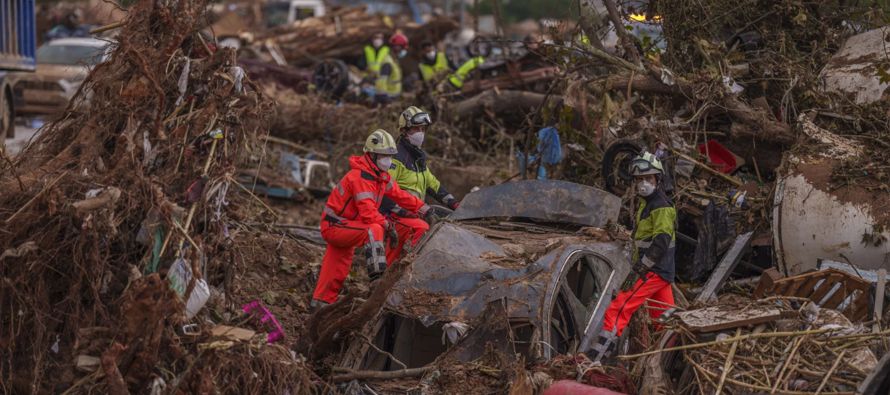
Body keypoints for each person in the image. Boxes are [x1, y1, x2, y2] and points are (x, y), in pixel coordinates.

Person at [311, 129, 432, 309]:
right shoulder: (359, 177)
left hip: (348, 225)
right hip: (335, 226)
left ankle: (320, 304)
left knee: (336, 269)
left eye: (390, 156)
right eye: (384, 156)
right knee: (373, 229)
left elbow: (400, 195)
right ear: (372, 155)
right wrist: (387, 225)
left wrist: (423, 208)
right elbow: (368, 213)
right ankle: (377, 279)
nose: (388, 160)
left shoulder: (380, 176)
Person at [589, 152, 676, 363]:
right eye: (639, 180)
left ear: (658, 180)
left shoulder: (661, 206)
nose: (643, 184)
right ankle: (672, 360)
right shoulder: (647, 203)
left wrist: (640, 269)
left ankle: (595, 360)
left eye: (649, 179)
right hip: (661, 272)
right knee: (665, 320)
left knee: (619, 308)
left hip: (653, 270)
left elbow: (661, 243)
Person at [381, 106, 459, 243]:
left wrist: (455, 204)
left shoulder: (418, 159)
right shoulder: (396, 158)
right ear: (404, 131)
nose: (421, 133)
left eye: (423, 129)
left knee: (453, 220)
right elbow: (383, 192)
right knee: (423, 228)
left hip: (416, 213)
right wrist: (405, 212)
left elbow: (434, 185)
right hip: (396, 216)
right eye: (416, 129)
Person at [373, 33, 408, 104]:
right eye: (403, 47)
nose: (404, 50)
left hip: (394, 97)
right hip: (388, 99)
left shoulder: (394, 61)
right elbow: (381, 84)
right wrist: (387, 100)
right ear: (397, 47)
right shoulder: (388, 63)